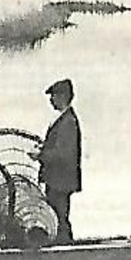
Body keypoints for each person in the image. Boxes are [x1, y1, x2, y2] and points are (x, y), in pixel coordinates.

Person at [37, 78, 82, 243]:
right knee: (58, 216)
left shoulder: (68, 122)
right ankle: (63, 247)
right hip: (58, 179)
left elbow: (63, 153)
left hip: (61, 180)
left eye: (53, 96)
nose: (51, 100)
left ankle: (64, 250)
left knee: (59, 217)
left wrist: (40, 155)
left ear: (63, 96)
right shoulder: (64, 120)